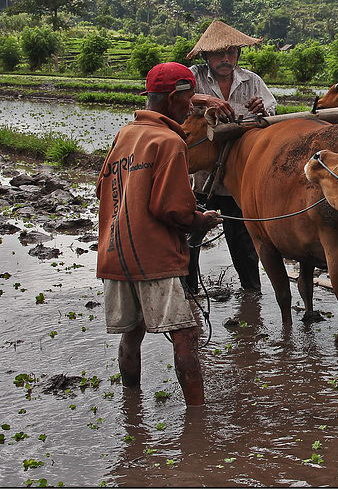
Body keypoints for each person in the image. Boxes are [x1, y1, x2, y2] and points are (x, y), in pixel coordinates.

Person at [96, 62, 221, 406]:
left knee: (131, 335)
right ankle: (197, 421)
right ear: (171, 98)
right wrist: (199, 220)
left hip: (114, 251)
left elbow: (102, 188)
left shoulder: (126, 133)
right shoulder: (169, 141)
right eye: (188, 99)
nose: (191, 106)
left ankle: (131, 406)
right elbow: (172, 209)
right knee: (186, 335)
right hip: (153, 256)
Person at [184, 20, 277, 293]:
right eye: (218, 53)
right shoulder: (193, 77)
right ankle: (189, 292)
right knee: (192, 233)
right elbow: (175, 97)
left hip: (238, 174)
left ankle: (252, 293)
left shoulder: (251, 81)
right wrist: (206, 101)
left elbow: (270, 112)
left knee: (244, 240)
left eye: (232, 52)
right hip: (201, 173)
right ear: (206, 55)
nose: (226, 59)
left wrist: (261, 109)